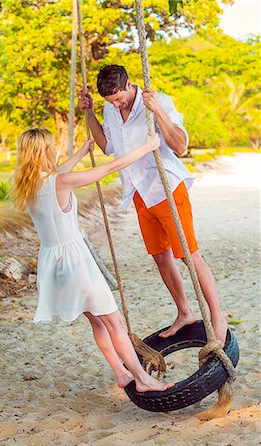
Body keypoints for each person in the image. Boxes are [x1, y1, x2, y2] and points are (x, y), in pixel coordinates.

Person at [14, 127, 173, 393]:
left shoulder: (29, 183)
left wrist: (81, 151)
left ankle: (121, 374)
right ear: (44, 151)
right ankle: (143, 379)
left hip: (54, 265)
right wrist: (147, 147)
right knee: (114, 322)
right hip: (76, 263)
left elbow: (60, 173)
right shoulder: (58, 182)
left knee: (98, 321)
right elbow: (108, 169)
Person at [78, 64, 228, 343]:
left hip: (167, 189)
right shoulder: (110, 109)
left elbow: (180, 145)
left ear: (128, 84)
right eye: (111, 102)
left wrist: (157, 109)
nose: (117, 104)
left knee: (187, 254)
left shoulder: (158, 101)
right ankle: (185, 312)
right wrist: (89, 113)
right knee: (160, 256)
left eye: (119, 98)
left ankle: (218, 316)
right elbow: (106, 146)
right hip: (139, 193)